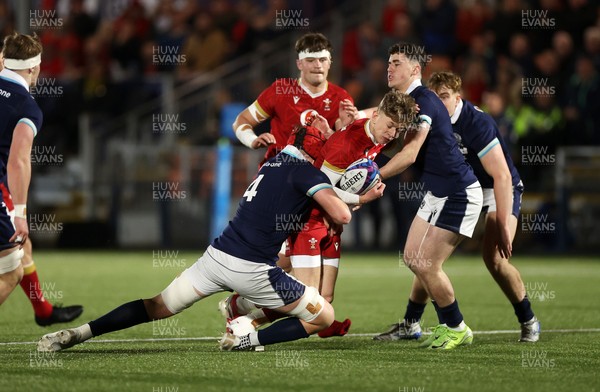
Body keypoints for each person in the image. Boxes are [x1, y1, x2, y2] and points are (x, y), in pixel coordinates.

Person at [37, 126, 354, 353]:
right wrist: (360, 195)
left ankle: (80, 333)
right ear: (314, 148)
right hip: (252, 269)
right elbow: (341, 215)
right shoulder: (305, 171)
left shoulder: (271, 164)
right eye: (324, 141)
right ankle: (246, 339)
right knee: (322, 315)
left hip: (216, 257)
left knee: (156, 305)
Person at [219, 91, 414, 338]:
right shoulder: (346, 145)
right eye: (391, 127)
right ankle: (246, 319)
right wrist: (363, 198)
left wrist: (410, 102)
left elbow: (377, 117)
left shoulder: (378, 131)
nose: (393, 134)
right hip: (309, 219)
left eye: (398, 130)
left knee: (325, 297)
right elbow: (325, 190)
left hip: (331, 220)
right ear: (376, 116)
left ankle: (240, 305)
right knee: (306, 298)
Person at [374, 71, 540, 343]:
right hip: (459, 189)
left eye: (445, 97)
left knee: (496, 259)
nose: (439, 102)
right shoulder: (431, 117)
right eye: (436, 97)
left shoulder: (476, 122)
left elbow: (502, 176)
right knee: (426, 258)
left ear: (458, 97)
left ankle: (528, 319)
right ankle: (411, 322)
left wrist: (503, 224)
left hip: (495, 189)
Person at [375, 43, 483, 350]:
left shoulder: (424, 100)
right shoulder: (407, 102)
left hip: (459, 193)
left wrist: (373, 176)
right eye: (388, 62)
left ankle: (456, 326)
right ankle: (413, 325)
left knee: (426, 264)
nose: (389, 67)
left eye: (396, 62)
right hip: (439, 193)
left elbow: (409, 154)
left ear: (415, 69)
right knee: (412, 258)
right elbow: (392, 140)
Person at [0, 32, 83, 324]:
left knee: (22, 248)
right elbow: (19, 160)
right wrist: (21, 213)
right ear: (34, 68)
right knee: (11, 272)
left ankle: (44, 311)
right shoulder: (26, 107)